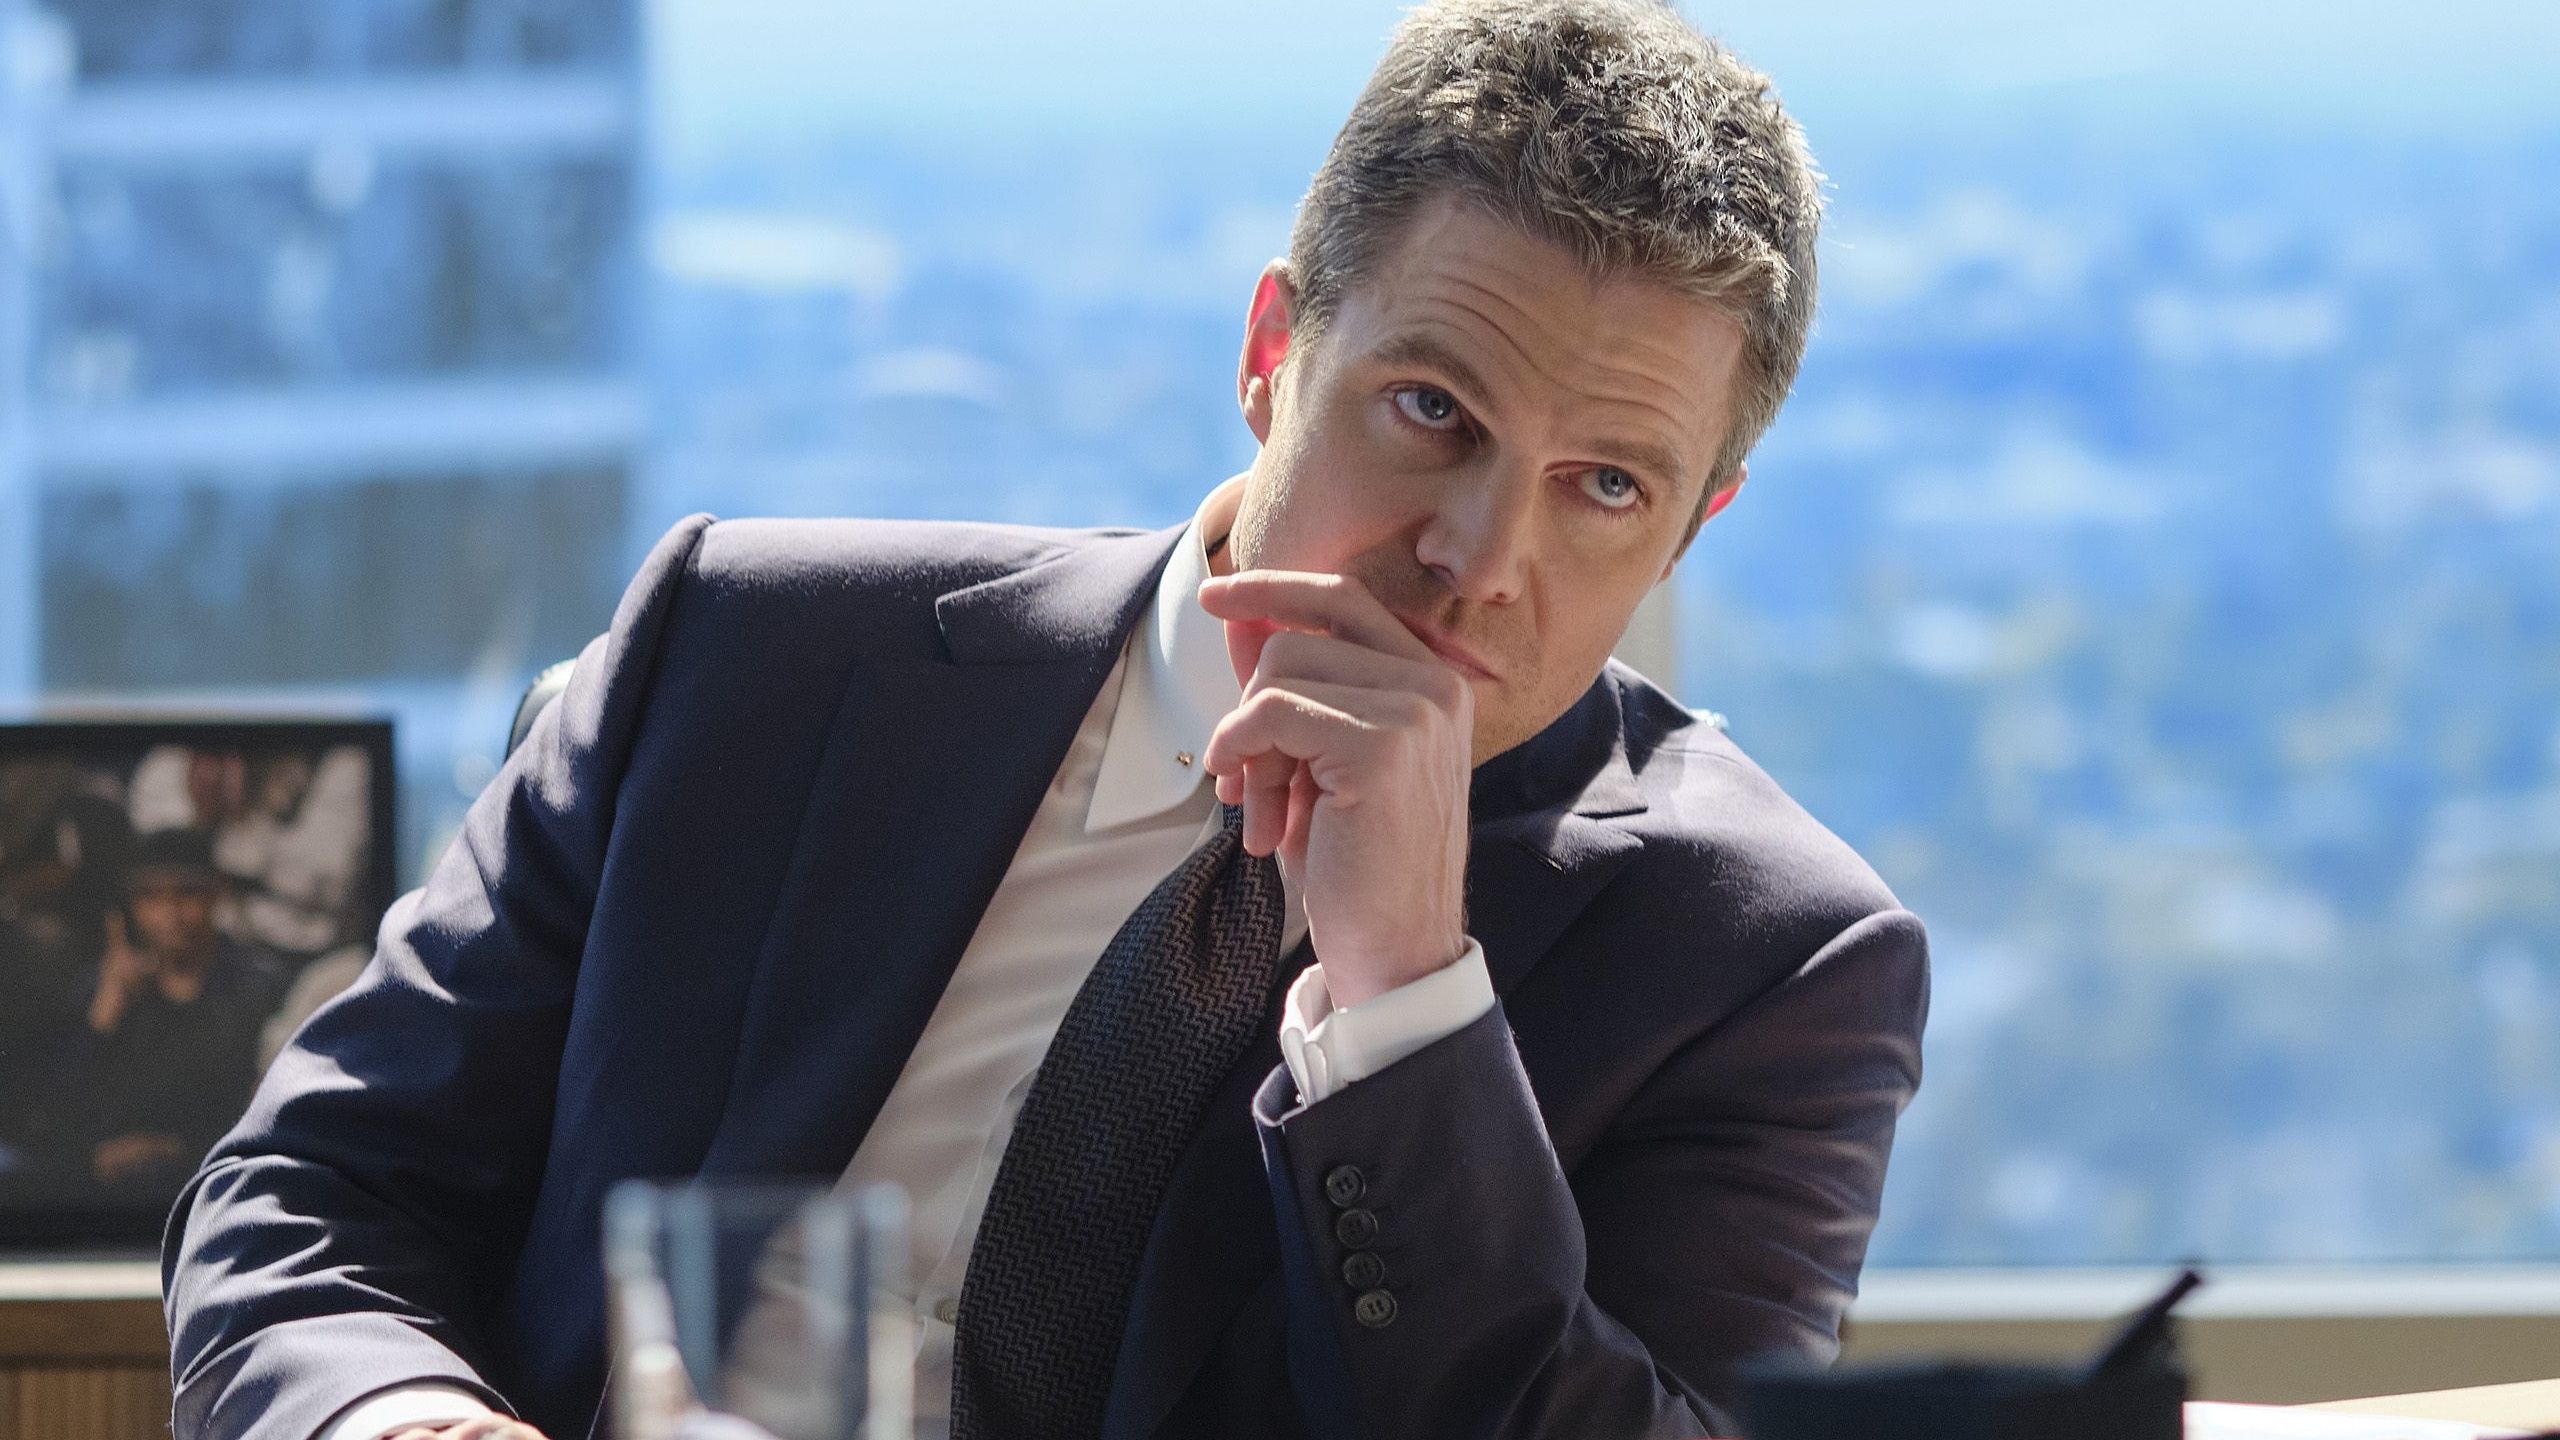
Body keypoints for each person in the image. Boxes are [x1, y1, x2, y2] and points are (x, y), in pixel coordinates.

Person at [163, 3, 1930, 1438]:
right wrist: (408, 1422)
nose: (1481, 561)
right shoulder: (746, 653)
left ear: (1694, 524)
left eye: (1606, 485)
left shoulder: (1768, 961)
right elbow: (315, 1187)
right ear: (1272, 353)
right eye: (1432, 410)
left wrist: (1403, 997)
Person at [29, 827, 286, 1202]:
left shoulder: (256, 987)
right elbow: (54, 1117)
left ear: (216, 894)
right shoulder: (104, 985)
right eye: (150, 897)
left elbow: (262, 1117)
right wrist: (105, 1012)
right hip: (107, 1197)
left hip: (215, 1190)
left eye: (186, 893)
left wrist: (170, 1151)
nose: (170, 913)